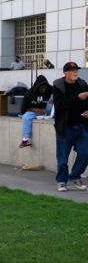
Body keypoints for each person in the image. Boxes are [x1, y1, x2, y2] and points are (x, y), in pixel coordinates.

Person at [52, 62, 88, 192]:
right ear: (65, 73)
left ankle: (75, 176)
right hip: (65, 127)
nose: (75, 73)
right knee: (62, 158)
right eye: (72, 71)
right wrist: (77, 98)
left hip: (81, 126)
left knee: (85, 152)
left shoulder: (82, 84)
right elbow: (60, 105)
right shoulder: (58, 86)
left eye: (76, 70)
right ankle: (61, 181)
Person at [19, 75, 52, 148]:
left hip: (46, 110)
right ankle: (26, 139)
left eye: (45, 87)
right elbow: (23, 110)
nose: (43, 89)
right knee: (26, 116)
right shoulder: (30, 93)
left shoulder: (49, 89)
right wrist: (35, 109)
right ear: (37, 87)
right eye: (41, 88)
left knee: (51, 104)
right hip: (34, 112)